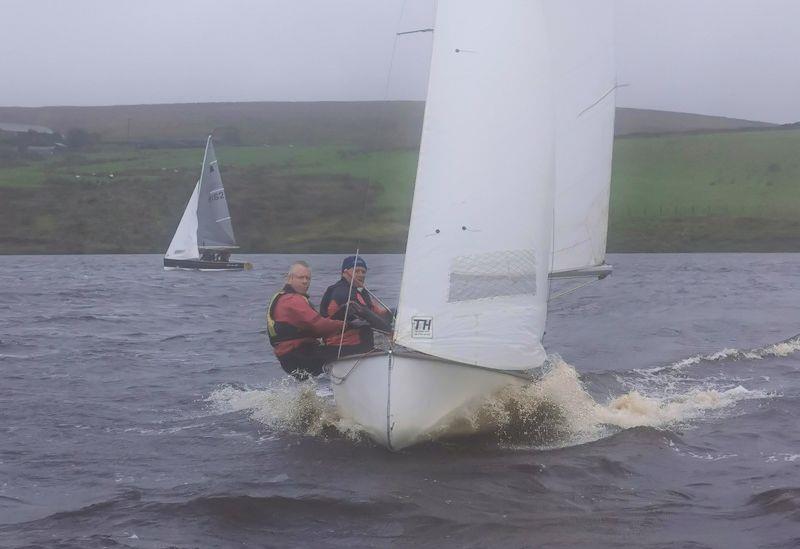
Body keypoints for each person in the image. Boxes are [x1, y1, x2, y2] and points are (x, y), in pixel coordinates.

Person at [266, 260, 357, 379]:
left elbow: (315, 326)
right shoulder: (292, 300)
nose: (305, 282)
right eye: (300, 278)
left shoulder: (284, 298)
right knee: (352, 351)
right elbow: (319, 325)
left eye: (308, 278)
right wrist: (346, 325)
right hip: (299, 355)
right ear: (289, 279)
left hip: (290, 356)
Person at [319, 256, 393, 356]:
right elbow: (362, 312)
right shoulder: (341, 292)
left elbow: (379, 313)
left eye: (363, 272)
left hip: (360, 348)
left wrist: (398, 314)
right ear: (345, 272)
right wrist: (389, 332)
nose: (361, 275)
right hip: (341, 349)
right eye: (357, 271)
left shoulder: (361, 293)